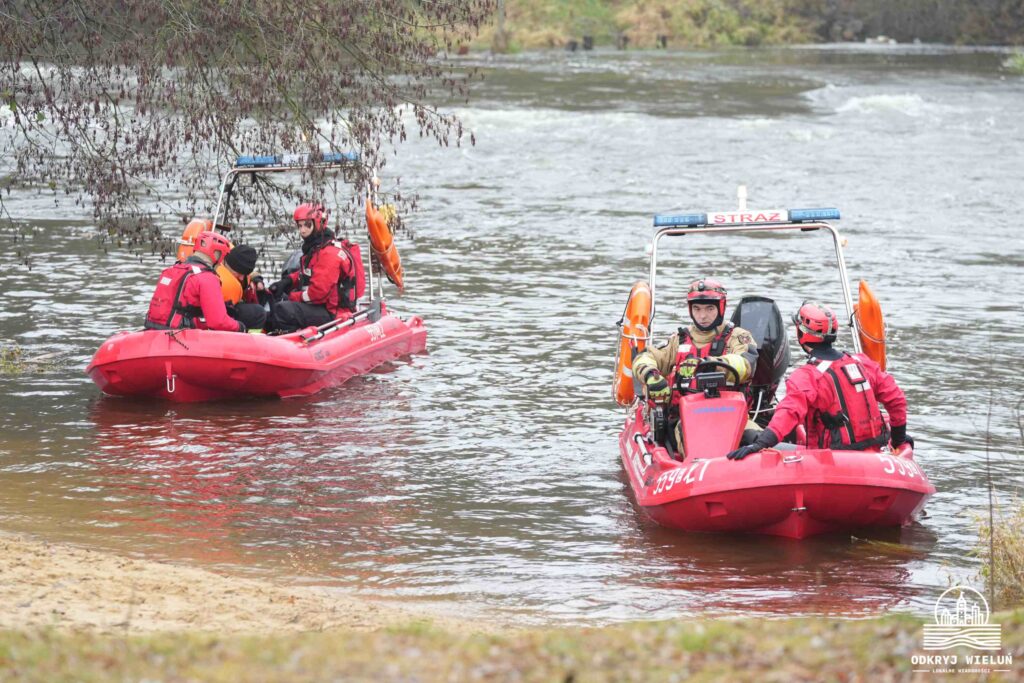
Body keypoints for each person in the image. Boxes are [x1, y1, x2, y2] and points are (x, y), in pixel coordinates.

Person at [726, 301, 910, 461]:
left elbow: (788, 414)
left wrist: (759, 444)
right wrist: (899, 439)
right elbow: (897, 401)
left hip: (833, 460)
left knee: (753, 438)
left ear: (802, 333)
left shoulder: (807, 376)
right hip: (875, 454)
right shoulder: (863, 363)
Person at [632, 278, 759, 454]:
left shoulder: (738, 337)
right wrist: (651, 376)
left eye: (709, 309)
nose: (703, 316)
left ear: (721, 308)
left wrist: (714, 365)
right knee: (700, 446)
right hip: (688, 418)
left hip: (732, 416)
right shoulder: (679, 340)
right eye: (697, 309)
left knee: (760, 441)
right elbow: (645, 357)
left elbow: (746, 363)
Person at [268, 202, 364, 333]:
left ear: (318, 223)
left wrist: (293, 296)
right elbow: (308, 273)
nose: (302, 230)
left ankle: (288, 339)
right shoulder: (317, 249)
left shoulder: (328, 254)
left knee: (283, 310)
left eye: (307, 225)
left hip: (331, 312)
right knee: (277, 299)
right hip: (322, 306)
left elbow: (318, 293)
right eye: (300, 225)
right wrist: (287, 282)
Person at [145, 231, 246, 332]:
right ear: (217, 254)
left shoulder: (172, 270)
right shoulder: (207, 278)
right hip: (179, 336)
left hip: (154, 330)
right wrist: (240, 327)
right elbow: (218, 322)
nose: (220, 264)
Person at [218, 245, 267, 332]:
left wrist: (256, 279)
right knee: (258, 313)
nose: (241, 278)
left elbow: (247, 274)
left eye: (244, 274)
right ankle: (252, 340)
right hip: (225, 312)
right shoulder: (226, 284)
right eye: (239, 274)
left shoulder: (231, 259)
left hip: (235, 304)